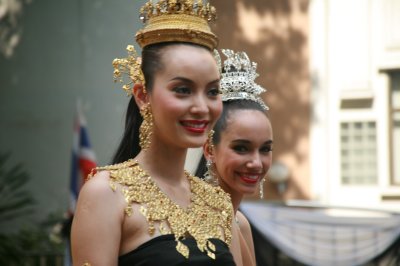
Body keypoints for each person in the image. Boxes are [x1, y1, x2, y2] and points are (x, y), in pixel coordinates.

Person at [71, 1, 241, 265]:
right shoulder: (106, 193)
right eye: (183, 90)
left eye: (212, 91)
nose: (201, 107)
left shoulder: (218, 202)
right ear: (143, 96)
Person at [196, 49, 273, 266]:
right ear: (209, 148)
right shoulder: (192, 214)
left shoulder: (240, 222)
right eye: (241, 148)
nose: (256, 163)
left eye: (265, 149)